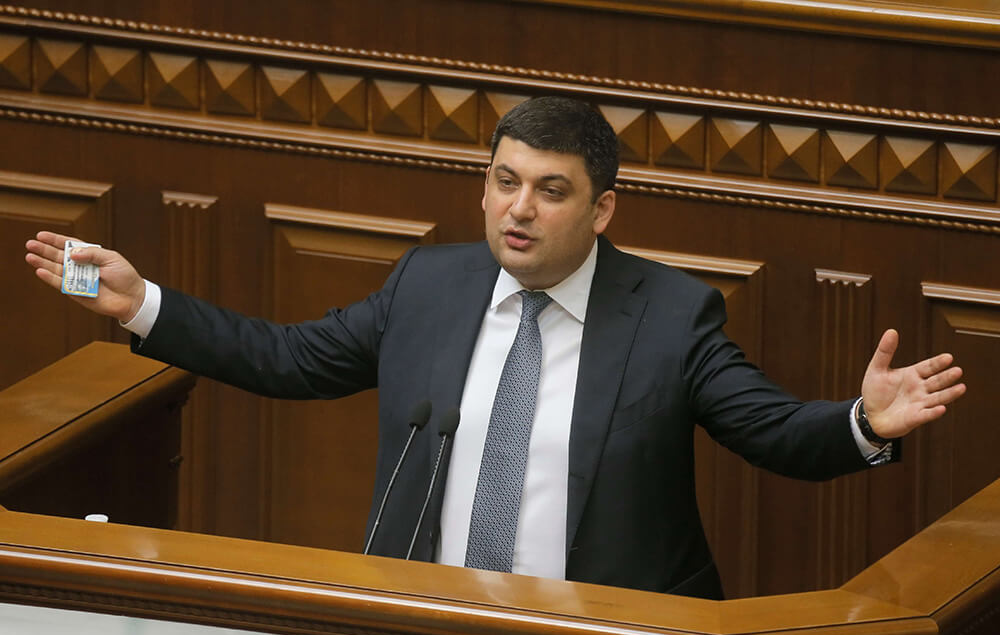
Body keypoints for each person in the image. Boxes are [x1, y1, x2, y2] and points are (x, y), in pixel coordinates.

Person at [24, 97, 965, 599]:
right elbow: (291, 359)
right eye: (504, 181)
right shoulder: (429, 285)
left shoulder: (672, 315)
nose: (518, 208)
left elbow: (769, 431)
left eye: (549, 190)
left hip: (603, 633)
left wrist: (861, 422)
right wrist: (141, 300)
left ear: (600, 211)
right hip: (430, 619)